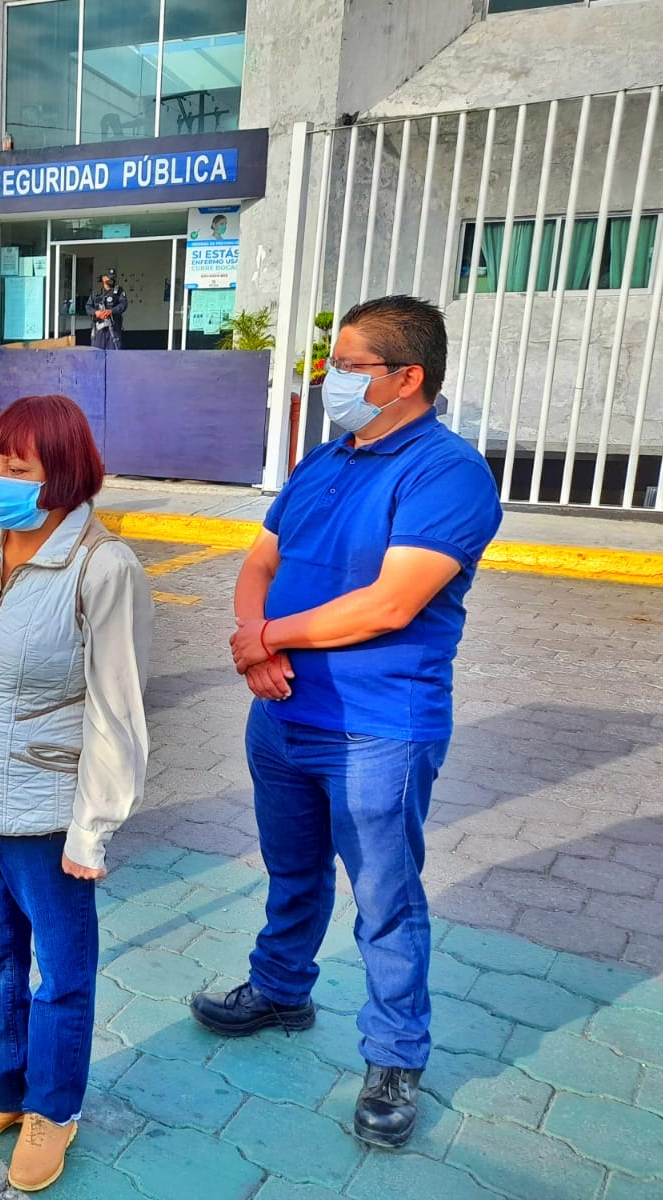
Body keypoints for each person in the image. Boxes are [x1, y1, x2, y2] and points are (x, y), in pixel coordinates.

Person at [190, 295, 503, 1150]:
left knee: (385, 900)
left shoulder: (447, 473)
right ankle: (281, 988)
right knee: (291, 872)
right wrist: (258, 648)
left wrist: (263, 637)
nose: (333, 379)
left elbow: (390, 604)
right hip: (284, 713)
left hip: (377, 728)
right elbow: (261, 558)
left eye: (351, 365)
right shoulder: (322, 459)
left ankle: (396, 1058)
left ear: (409, 378)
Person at [0, 393, 152, 1192]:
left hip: (49, 820)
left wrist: (93, 832)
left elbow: (117, 709)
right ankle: (6, 1090)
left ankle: (54, 1108)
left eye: (18, 468)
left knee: (59, 971)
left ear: (63, 473)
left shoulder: (102, 566)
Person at [87, 269, 126, 350]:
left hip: (113, 328)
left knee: (114, 354)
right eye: (109, 278)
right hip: (99, 329)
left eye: (113, 278)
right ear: (103, 278)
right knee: (97, 353)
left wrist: (111, 311)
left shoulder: (119, 292)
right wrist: (96, 313)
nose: (111, 280)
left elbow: (123, 304)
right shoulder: (96, 293)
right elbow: (88, 306)